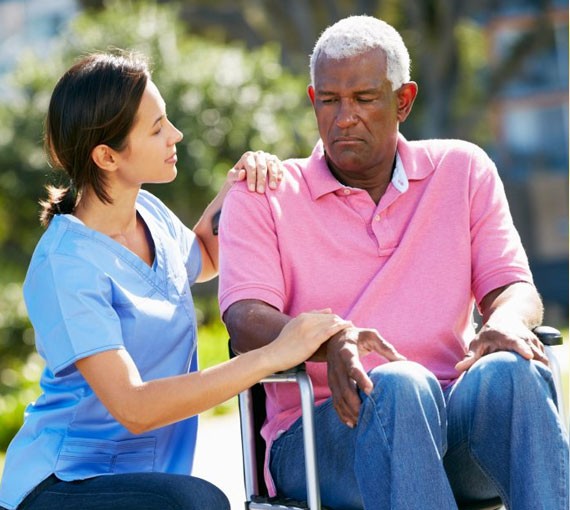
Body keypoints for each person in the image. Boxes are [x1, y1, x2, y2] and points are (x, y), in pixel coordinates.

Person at [219, 15, 569, 510]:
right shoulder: (265, 193)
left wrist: (505, 322)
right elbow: (245, 319)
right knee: (399, 386)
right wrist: (329, 340)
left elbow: (512, 287)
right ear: (312, 99)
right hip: (324, 436)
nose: (344, 117)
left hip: (453, 424)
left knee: (514, 371)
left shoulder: (463, 170)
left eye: (363, 99)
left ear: (402, 101)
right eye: (329, 100)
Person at [0, 51, 353, 510]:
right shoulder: (66, 265)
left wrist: (241, 186)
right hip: (64, 484)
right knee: (198, 503)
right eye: (157, 127)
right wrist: (273, 355)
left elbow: (205, 255)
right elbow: (134, 406)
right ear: (106, 155)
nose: (176, 134)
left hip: (144, 481)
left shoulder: (147, 213)